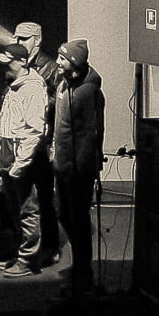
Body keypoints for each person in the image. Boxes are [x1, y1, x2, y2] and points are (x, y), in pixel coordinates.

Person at [0, 22, 63, 266]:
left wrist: (34, 98)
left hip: (39, 144)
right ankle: (26, 250)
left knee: (42, 199)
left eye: (24, 38)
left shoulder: (50, 69)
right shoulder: (15, 63)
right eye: (16, 37)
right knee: (23, 202)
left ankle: (48, 247)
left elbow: (57, 103)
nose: (18, 41)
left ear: (37, 40)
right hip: (19, 143)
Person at [49, 38, 106, 297]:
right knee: (64, 214)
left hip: (78, 170)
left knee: (79, 219)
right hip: (63, 165)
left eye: (62, 59)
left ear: (74, 62)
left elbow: (90, 135)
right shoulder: (64, 84)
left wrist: (82, 169)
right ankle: (80, 267)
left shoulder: (87, 92)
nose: (57, 62)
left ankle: (83, 273)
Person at [0, 45, 48, 275]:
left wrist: (19, 165)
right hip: (9, 159)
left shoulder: (31, 89)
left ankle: (28, 260)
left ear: (23, 61)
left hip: (21, 161)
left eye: (9, 63)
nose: (5, 68)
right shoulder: (13, 86)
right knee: (15, 210)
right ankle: (20, 254)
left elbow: (34, 132)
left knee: (27, 210)